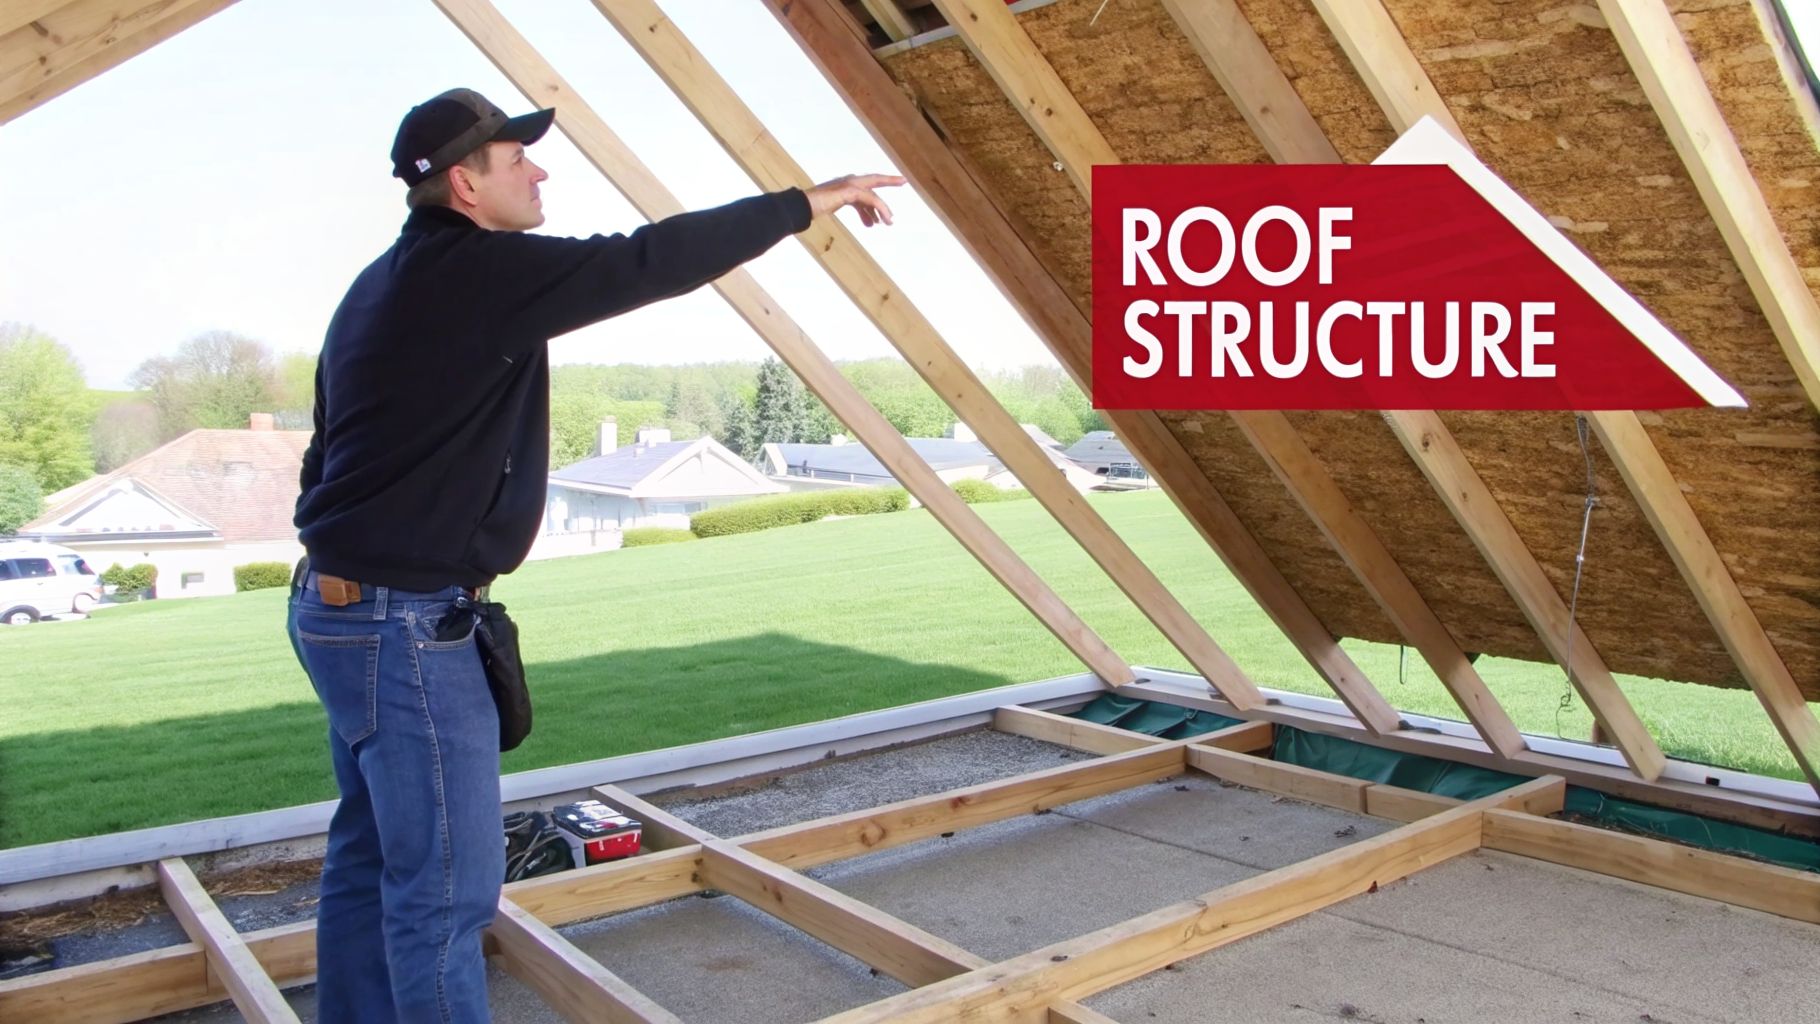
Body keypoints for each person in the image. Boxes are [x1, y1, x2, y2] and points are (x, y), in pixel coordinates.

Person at [288, 87, 902, 1022]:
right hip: (401, 622)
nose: (539, 170)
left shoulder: (380, 285)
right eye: (515, 160)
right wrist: (804, 202)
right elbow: (651, 260)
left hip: (343, 605)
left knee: (373, 856)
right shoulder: (476, 271)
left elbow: (322, 447)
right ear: (465, 183)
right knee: (445, 894)